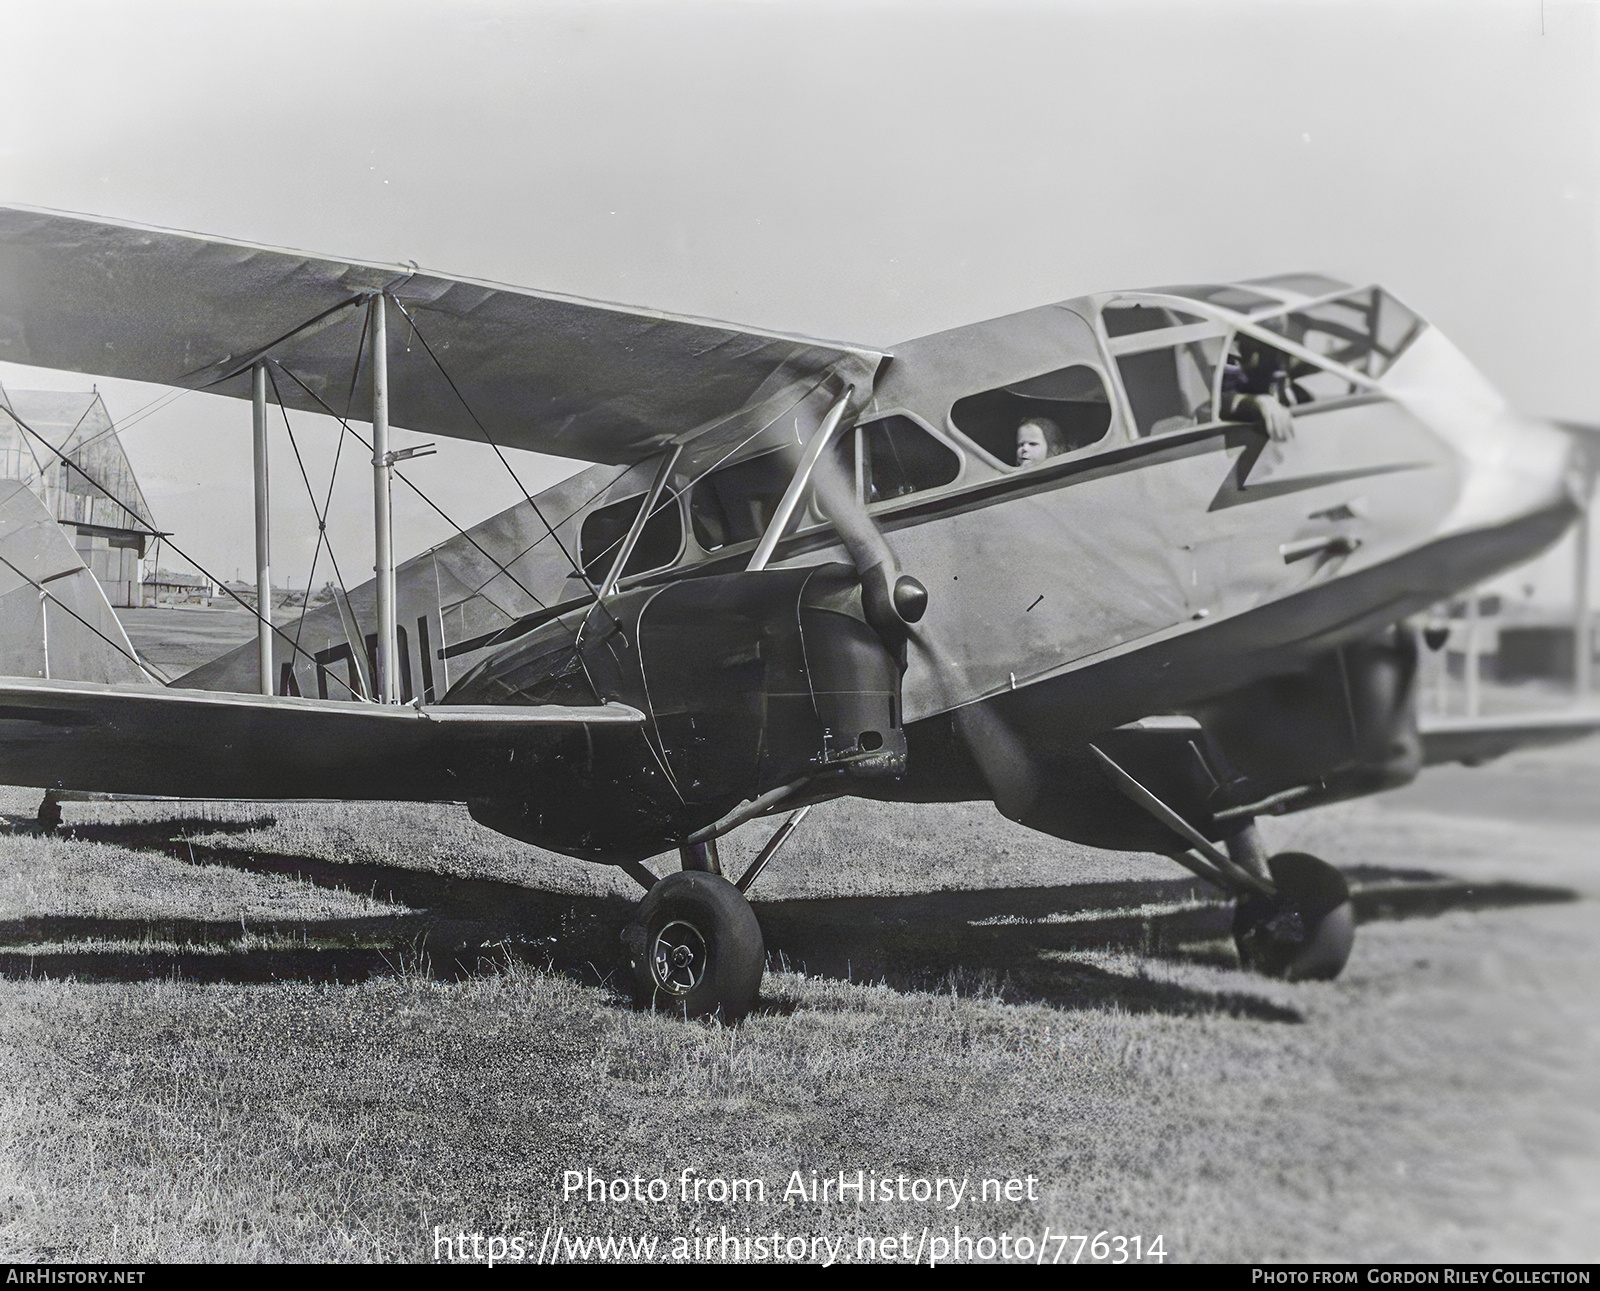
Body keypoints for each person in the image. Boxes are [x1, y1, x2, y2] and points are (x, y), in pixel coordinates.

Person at [1221, 335, 1296, 441]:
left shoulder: (1274, 346)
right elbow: (1213, 401)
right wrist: (1257, 401)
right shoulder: (1223, 347)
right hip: (1238, 434)